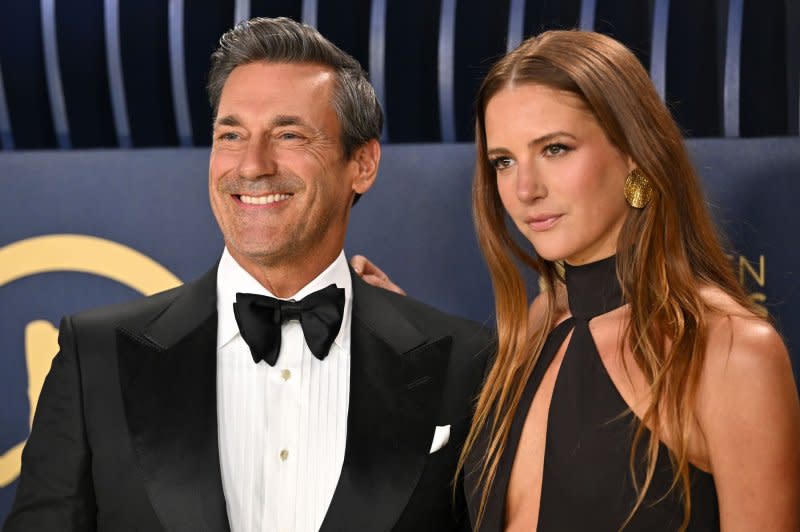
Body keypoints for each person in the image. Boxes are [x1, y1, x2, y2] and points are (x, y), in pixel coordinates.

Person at [4, 17, 492, 532]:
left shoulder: (466, 363)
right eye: (232, 134)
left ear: (363, 164)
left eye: (288, 133)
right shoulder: (96, 355)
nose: (253, 165)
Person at [354, 30, 800, 531]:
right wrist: (402, 323)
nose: (525, 189)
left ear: (635, 153)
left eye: (556, 149)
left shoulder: (729, 351)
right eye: (504, 161)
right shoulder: (538, 326)